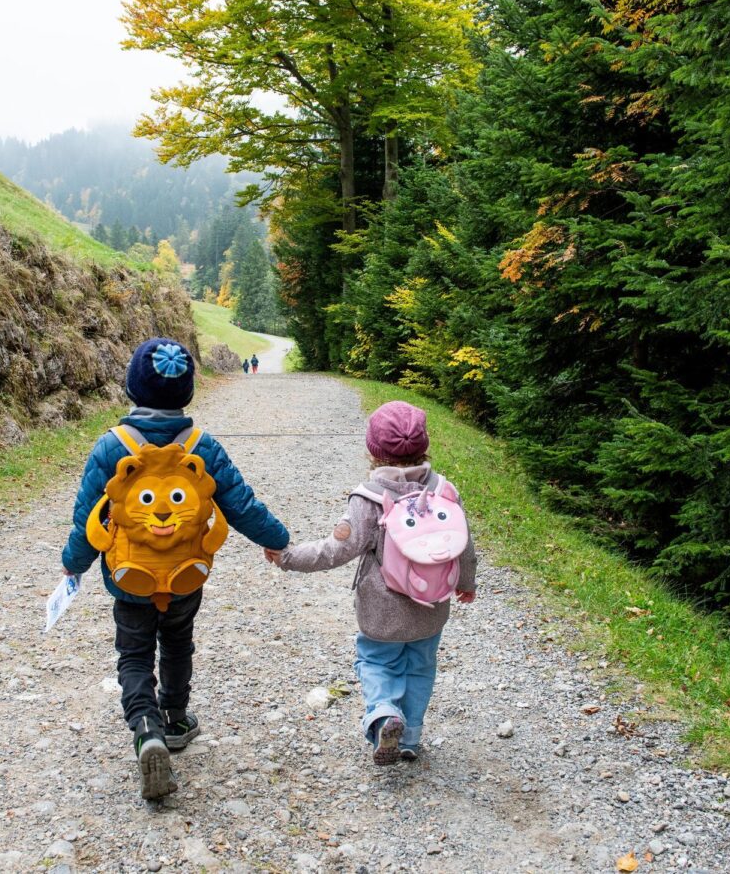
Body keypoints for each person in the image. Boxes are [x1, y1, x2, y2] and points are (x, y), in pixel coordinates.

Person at [62, 338, 290, 799]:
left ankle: (146, 729)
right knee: (178, 642)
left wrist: (73, 566)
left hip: (130, 578)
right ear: (186, 391)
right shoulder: (201, 446)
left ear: (132, 387)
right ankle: (176, 719)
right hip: (186, 574)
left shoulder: (112, 446)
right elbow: (242, 505)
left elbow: (89, 516)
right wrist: (278, 540)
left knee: (133, 652)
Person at [266, 401, 476, 764]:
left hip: (382, 611)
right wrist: (467, 583)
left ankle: (383, 713)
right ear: (424, 444)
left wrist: (289, 557)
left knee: (376, 662)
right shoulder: (445, 491)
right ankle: (409, 737)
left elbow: (336, 550)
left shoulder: (370, 498)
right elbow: (464, 546)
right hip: (432, 608)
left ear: (373, 450)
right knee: (420, 667)